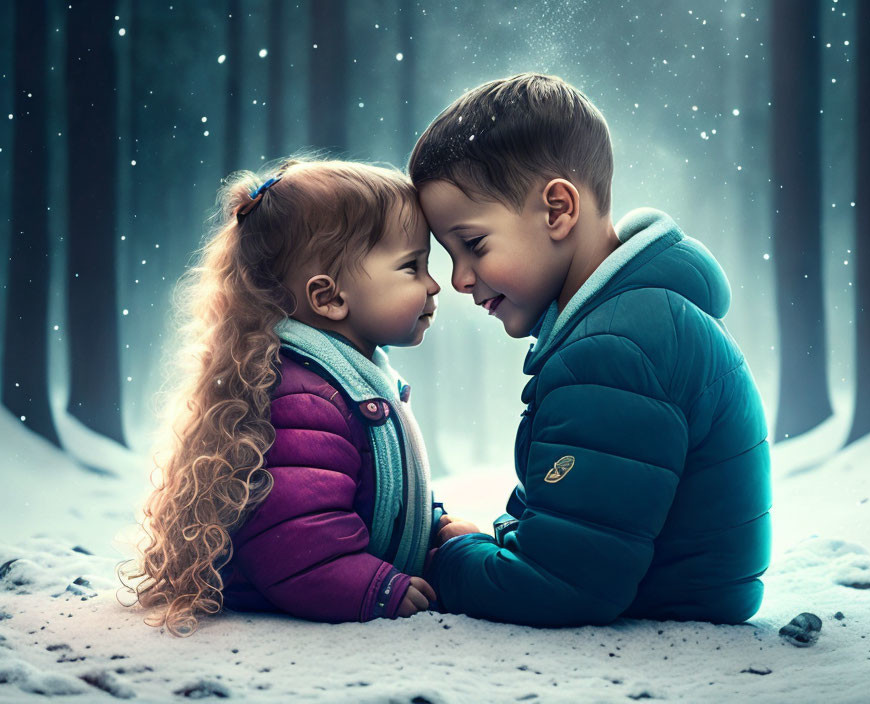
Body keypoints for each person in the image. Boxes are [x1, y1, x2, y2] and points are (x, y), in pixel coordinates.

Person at [410, 73, 772, 626]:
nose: (459, 279)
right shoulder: (634, 321)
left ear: (557, 210)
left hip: (667, 617)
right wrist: (494, 543)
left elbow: (560, 586)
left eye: (474, 245)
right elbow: (578, 521)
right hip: (661, 596)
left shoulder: (617, 348)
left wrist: (451, 562)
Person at [119, 158, 447, 635]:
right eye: (411, 267)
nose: (434, 285)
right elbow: (298, 543)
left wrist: (434, 523)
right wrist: (376, 588)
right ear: (330, 297)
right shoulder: (306, 399)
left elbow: (377, 487)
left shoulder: (353, 379)